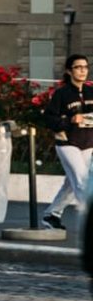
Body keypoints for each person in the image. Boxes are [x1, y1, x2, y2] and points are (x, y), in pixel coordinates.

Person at [42, 53, 93, 230]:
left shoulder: (90, 91)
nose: (82, 71)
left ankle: (52, 214)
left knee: (71, 184)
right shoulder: (61, 94)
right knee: (81, 180)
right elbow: (49, 119)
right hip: (67, 142)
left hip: (87, 143)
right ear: (69, 71)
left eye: (85, 67)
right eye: (78, 67)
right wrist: (70, 120)